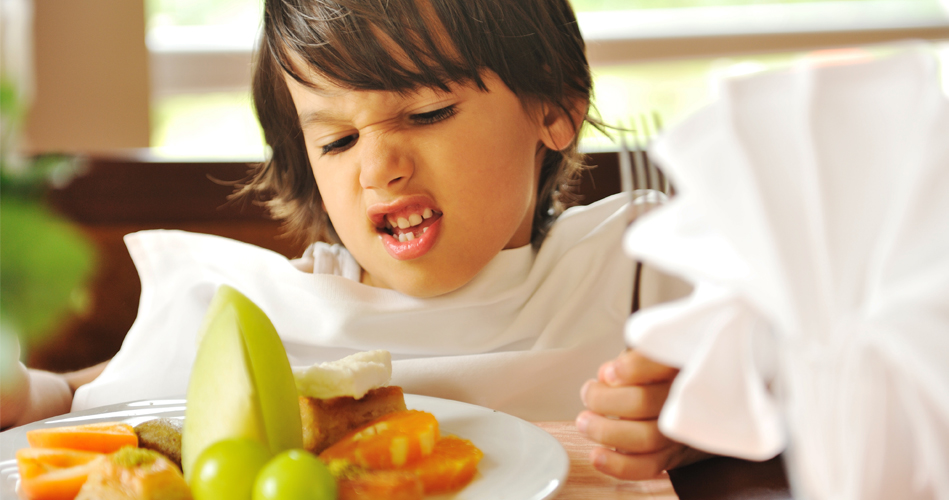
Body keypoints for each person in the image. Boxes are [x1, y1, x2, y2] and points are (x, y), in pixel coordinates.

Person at [2, 0, 694, 481]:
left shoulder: (631, 268)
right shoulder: (287, 301)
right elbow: (131, 391)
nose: (378, 167)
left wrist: (689, 422)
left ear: (555, 109)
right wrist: (35, 395)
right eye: (336, 139)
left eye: (425, 113)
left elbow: (772, 382)